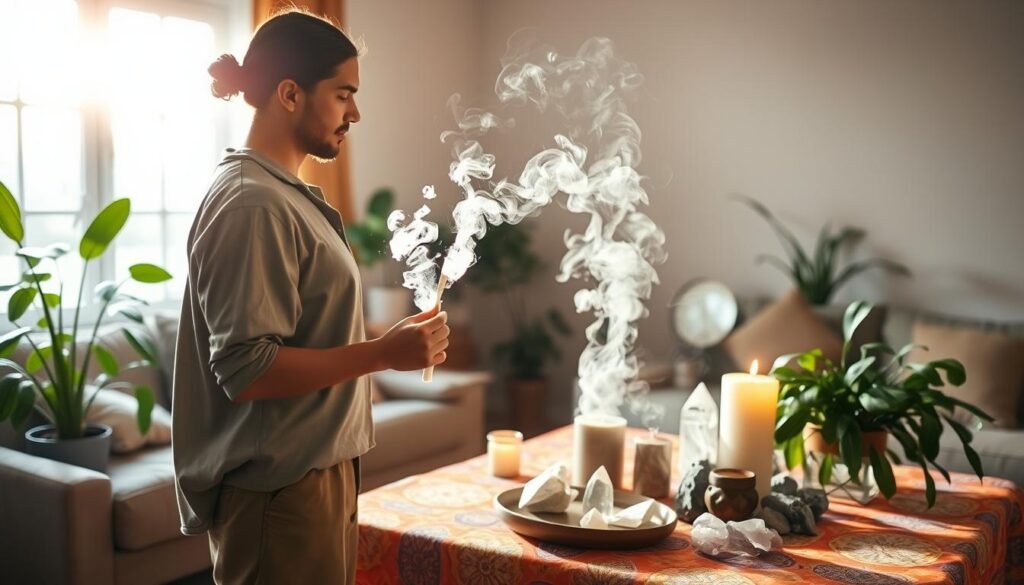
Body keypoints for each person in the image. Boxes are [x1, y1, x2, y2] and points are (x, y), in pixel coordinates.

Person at [171, 10, 449, 584]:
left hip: (315, 475)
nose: (356, 113)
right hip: (280, 493)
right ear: (291, 94)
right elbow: (248, 371)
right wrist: (381, 353)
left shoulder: (286, 195)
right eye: (343, 93)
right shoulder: (252, 204)